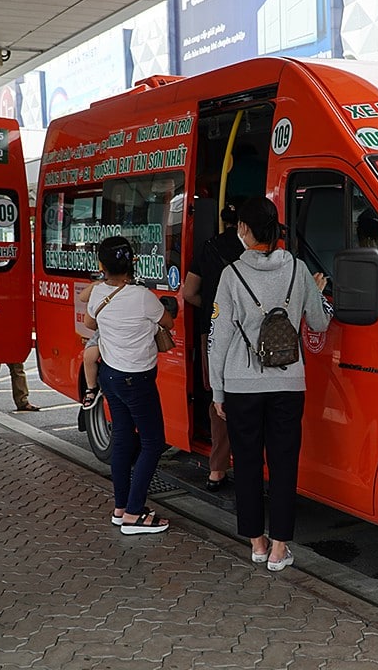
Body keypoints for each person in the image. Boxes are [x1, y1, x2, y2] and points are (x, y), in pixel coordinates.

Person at [208, 197, 329, 571]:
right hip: (288, 384)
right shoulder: (298, 270)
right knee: (283, 463)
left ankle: (257, 544)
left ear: (244, 230)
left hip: (241, 385)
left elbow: (220, 336)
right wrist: (319, 292)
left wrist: (217, 390)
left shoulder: (231, 275)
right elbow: (320, 323)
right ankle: (280, 548)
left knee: (245, 463)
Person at [83, 236, 174, 535]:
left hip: (110, 375)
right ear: (132, 263)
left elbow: (90, 324)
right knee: (153, 442)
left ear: (101, 266)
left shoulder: (97, 294)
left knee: (122, 438)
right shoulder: (143, 296)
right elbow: (168, 322)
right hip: (137, 379)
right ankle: (135, 513)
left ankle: (121, 509)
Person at [181, 199, 244, 491]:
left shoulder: (208, 247)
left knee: (218, 405)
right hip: (250, 336)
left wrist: (212, 308)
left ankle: (217, 470)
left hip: (213, 332)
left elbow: (189, 292)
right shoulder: (260, 252)